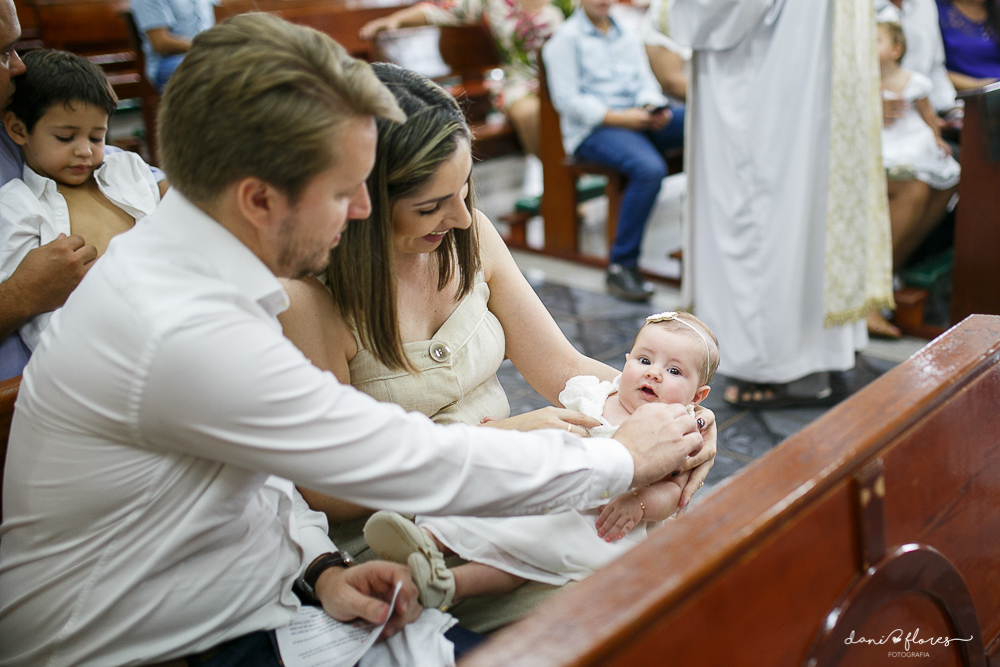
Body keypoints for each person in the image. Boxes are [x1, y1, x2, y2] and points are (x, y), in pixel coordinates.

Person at [0, 15, 709, 667]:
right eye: (345, 191)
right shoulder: (183, 326)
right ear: (259, 199)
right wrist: (620, 459)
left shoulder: (206, 268)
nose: (363, 209)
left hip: (263, 601)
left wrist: (321, 569)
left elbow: (260, 480)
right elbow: (397, 459)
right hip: (149, 648)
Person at [361, 311, 719, 613]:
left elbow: (673, 493)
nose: (654, 373)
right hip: (546, 481)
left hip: (590, 520)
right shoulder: (597, 394)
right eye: (644, 360)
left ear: (698, 395)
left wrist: (638, 503)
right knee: (483, 500)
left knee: (525, 557)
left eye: (674, 371)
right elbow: (551, 425)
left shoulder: (680, 433)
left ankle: (448, 584)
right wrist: (511, 432)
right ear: (626, 361)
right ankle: (426, 540)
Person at [671, 0, 894, 408]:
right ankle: (824, 356)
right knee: (810, 201)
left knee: (769, 209)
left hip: (773, 80)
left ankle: (772, 366)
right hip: (815, 65)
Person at [0, 0, 166, 381]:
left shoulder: (110, 165)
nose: (19, 66)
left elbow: (158, 188)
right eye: (4, 53)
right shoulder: (17, 203)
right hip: (87, 366)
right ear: (18, 130)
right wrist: (21, 295)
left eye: (97, 136)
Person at [542, 0, 686, 302]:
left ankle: (703, 239)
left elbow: (645, 81)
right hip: (595, 130)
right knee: (648, 169)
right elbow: (568, 101)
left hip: (636, 119)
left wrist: (651, 106)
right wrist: (621, 118)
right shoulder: (565, 40)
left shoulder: (627, 32)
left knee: (697, 120)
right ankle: (621, 264)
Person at [358, 0, 574, 198]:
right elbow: (442, 10)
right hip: (520, 81)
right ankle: (564, 192)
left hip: (567, 77)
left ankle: (569, 186)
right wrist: (396, 20)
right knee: (531, 113)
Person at [871, 22, 960, 337]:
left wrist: (941, 126)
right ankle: (871, 292)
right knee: (916, 189)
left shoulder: (913, 79)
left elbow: (930, 99)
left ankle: (890, 274)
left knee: (948, 179)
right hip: (873, 140)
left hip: (907, 138)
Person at [875, 0, 960, 113]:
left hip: (928, 108)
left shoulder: (925, 3)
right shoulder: (859, 9)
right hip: (885, 112)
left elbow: (935, 67)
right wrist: (873, 107)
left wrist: (951, 108)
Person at [130, 0, 215, 90]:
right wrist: (207, 46)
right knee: (211, 68)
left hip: (206, 53)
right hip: (170, 60)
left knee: (219, 65)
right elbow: (161, 43)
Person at [937, 0, 1000, 90]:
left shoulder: (995, 6)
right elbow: (932, 70)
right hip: (967, 92)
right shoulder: (938, 11)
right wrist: (979, 85)